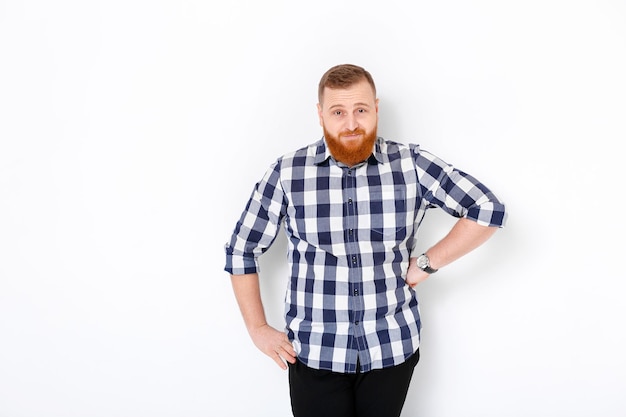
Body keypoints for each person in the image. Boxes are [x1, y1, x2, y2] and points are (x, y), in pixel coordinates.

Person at [224, 64, 507, 417]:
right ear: (320, 114)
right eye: (338, 112)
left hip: (390, 348)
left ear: (375, 108)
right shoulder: (288, 172)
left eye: (361, 110)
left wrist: (425, 263)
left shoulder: (411, 164)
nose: (351, 124)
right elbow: (241, 249)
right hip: (315, 353)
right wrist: (258, 328)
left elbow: (487, 210)